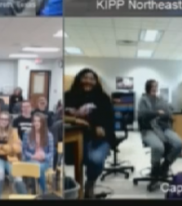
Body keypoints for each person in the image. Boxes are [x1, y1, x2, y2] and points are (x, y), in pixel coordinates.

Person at [64, 68, 116, 199]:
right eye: (85, 77)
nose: (88, 81)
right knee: (77, 159)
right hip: (76, 137)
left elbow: (108, 119)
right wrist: (78, 120)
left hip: (100, 138)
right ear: (79, 79)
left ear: (96, 82)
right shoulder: (68, 96)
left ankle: (90, 183)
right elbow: (63, 115)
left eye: (92, 79)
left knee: (95, 160)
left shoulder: (103, 98)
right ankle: (77, 190)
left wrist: (96, 126)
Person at [138, 79, 182, 179]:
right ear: (147, 87)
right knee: (158, 147)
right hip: (149, 129)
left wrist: (167, 114)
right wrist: (156, 113)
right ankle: (155, 169)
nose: (154, 88)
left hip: (164, 128)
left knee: (179, 143)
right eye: (152, 86)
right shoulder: (143, 100)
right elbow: (142, 115)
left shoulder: (161, 99)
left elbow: (168, 112)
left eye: (156, 86)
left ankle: (165, 165)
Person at [22, 110, 55, 194]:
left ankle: (40, 191)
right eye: (34, 121)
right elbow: (24, 150)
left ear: (43, 123)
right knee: (37, 167)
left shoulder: (49, 135)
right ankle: (44, 192)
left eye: (39, 121)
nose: (36, 123)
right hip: (31, 160)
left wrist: (44, 156)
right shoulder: (27, 133)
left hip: (44, 162)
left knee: (38, 168)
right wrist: (32, 156)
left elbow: (51, 152)